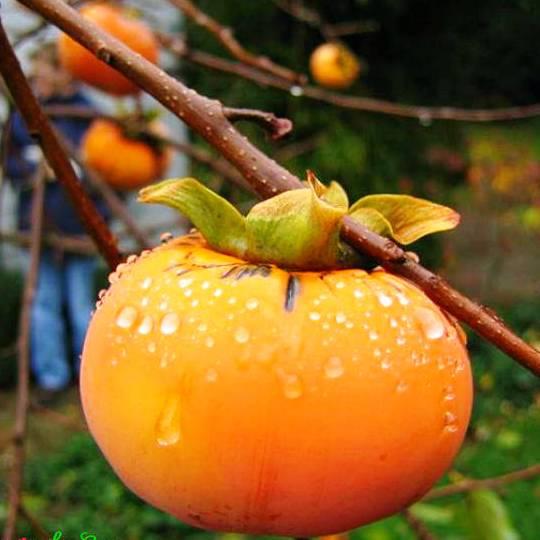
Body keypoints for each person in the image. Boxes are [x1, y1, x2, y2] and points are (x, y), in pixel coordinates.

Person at [5, 44, 109, 398]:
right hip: (36, 226)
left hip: (78, 226)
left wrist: (70, 170)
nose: (37, 80)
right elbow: (11, 162)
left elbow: (105, 174)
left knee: (82, 306)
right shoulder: (24, 114)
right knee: (42, 305)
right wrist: (36, 171)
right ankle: (52, 378)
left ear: (64, 72)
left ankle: (89, 382)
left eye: (43, 73)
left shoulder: (89, 117)